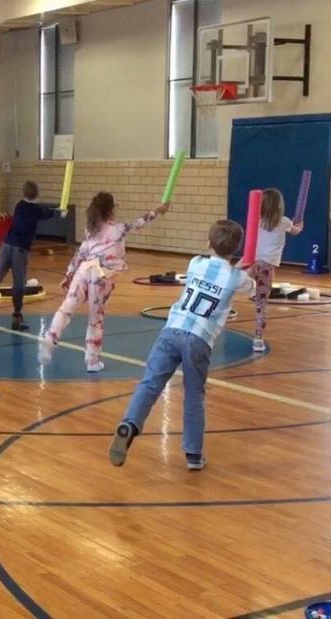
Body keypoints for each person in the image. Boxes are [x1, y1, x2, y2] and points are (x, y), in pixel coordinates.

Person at [108, 220, 253, 471]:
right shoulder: (237, 278)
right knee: (194, 395)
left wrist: (235, 270)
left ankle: (130, 424)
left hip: (171, 331)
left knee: (150, 384)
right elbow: (250, 288)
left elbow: (217, 273)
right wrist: (247, 271)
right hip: (198, 340)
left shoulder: (195, 263)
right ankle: (193, 454)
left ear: (208, 243)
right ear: (236, 249)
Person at [39, 192, 169, 372]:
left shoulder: (91, 229)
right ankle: (92, 361)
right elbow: (139, 223)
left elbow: (80, 254)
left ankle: (50, 338)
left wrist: (68, 274)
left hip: (84, 271)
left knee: (66, 308)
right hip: (101, 277)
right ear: (110, 211)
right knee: (95, 320)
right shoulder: (118, 229)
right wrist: (158, 210)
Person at [0, 181, 57, 330]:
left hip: (7, 244)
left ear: (23, 193)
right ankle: (17, 316)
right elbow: (47, 213)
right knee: (19, 282)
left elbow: (39, 211)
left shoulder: (19, 206)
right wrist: (59, 212)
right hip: (21, 248)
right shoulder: (36, 210)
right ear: (37, 194)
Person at [248, 188, 303, 352]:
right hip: (266, 267)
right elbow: (296, 231)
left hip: (250, 264)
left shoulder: (256, 220)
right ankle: (258, 340)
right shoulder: (284, 221)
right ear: (279, 205)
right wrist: (299, 225)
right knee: (261, 304)